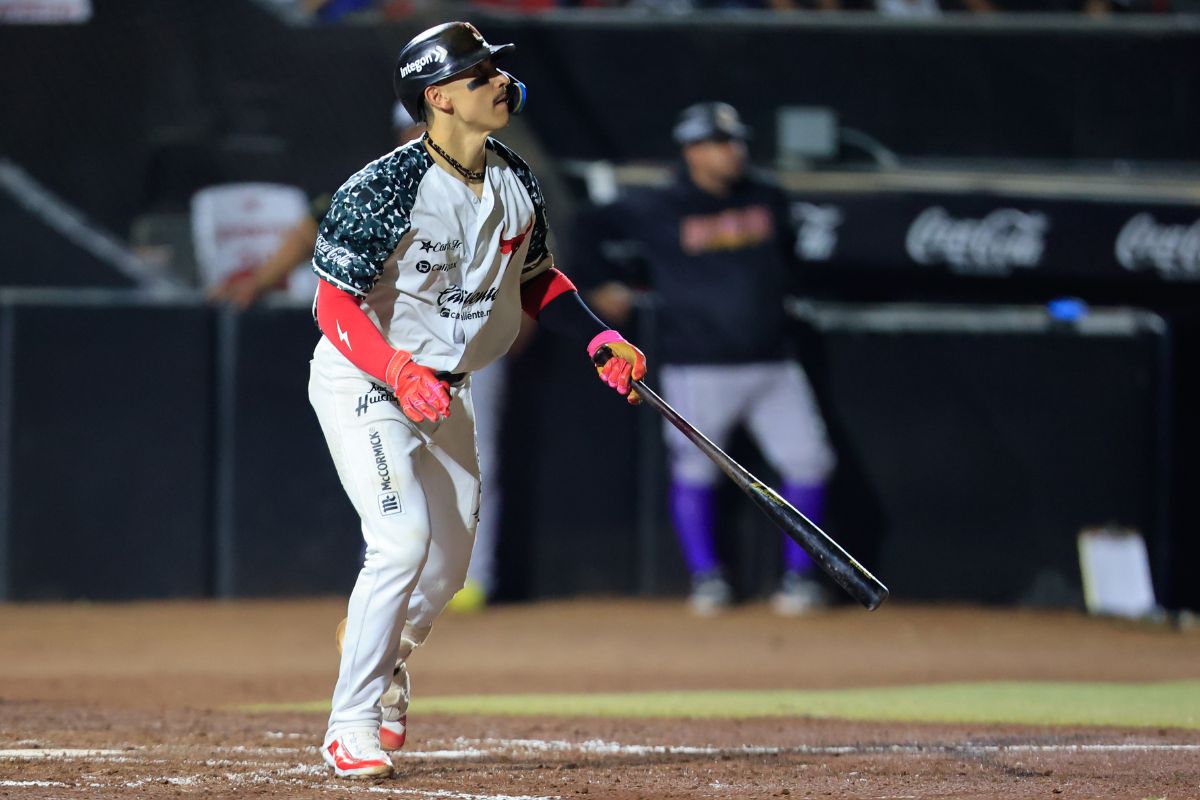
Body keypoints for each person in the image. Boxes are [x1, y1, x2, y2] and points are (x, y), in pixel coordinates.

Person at [307, 21, 646, 779]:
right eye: (479, 73)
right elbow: (333, 306)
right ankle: (349, 722)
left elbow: (537, 280)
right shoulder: (384, 186)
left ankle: (384, 655)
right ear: (439, 98)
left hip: (445, 390)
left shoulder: (514, 178)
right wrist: (396, 370)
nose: (499, 81)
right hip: (367, 380)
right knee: (399, 541)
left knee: (449, 569)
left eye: (496, 69)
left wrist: (596, 338)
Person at [577, 102, 836, 617]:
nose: (733, 151)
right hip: (698, 363)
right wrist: (604, 282)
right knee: (696, 470)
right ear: (692, 150)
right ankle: (707, 577)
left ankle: (800, 578)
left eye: (735, 141)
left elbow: (789, 261)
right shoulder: (661, 205)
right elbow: (585, 226)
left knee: (809, 460)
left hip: (773, 360)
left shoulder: (766, 196)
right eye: (720, 143)